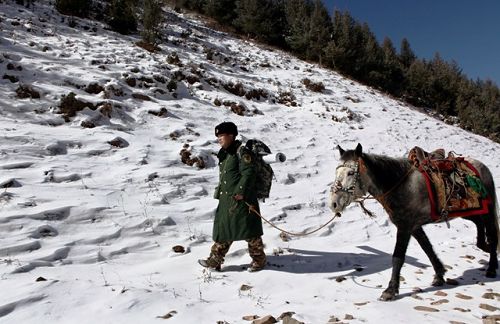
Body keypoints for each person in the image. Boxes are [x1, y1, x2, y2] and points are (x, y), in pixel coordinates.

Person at [198, 122, 266, 272]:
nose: (219, 139)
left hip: (243, 199)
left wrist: (240, 192)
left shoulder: (241, 152)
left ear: (231, 135)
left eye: (221, 136)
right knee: (224, 230)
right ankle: (215, 259)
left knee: (250, 231)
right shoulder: (226, 154)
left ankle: (259, 260)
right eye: (218, 136)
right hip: (228, 200)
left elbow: (248, 173)